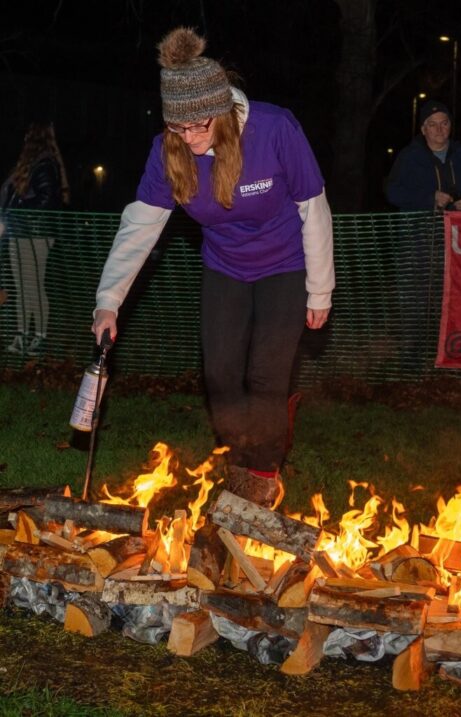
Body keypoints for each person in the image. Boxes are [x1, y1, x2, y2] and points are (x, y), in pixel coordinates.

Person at [91, 27, 334, 506]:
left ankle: (261, 476)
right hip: (224, 267)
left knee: (266, 375)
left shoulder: (275, 129)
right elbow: (139, 226)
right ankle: (237, 457)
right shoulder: (170, 150)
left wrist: (319, 289)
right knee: (221, 373)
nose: (191, 137)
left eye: (200, 126)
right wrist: (107, 302)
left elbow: (314, 207)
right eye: (179, 128)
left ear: (223, 111)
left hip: (285, 266)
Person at [1, 122, 69, 356]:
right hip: (20, 231)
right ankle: (22, 335)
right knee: (21, 287)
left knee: (34, 286)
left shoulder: (45, 164)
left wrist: (17, 208)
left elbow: (47, 199)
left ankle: (39, 336)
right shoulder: (30, 165)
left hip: (37, 234)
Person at [386, 100, 461, 211]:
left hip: (455, 225)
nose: (439, 130)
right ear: (423, 129)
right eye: (432, 125)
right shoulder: (410, 156)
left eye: (444, 123)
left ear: (450, 125)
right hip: (418, 226)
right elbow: (392, 192)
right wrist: (430, 198)